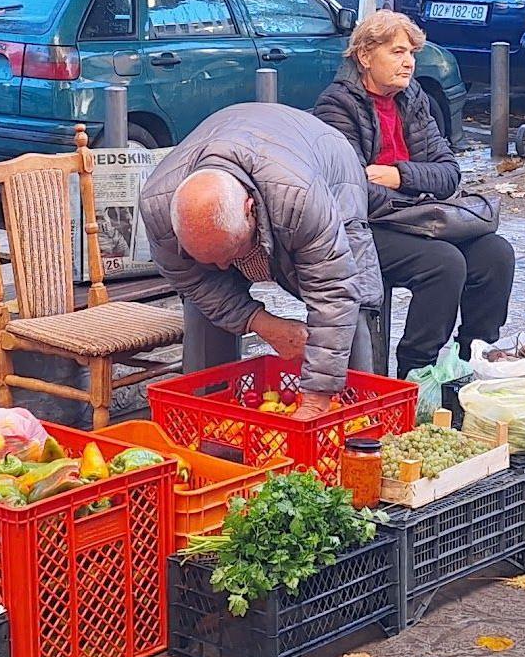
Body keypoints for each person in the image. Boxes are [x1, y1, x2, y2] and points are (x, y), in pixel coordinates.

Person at [139, 103, 382, 420]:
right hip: (249, 151)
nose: (225, 269)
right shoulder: (156, 208)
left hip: (328, 166)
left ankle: (359, 422)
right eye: (211, 260)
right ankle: (213, 423)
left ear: (249, 209)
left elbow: (333, 292)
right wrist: (262, 323)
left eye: (229, 255)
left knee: (354, 304)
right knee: (203, 309)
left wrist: (314, 401)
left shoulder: (300, 198)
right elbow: (196, 283)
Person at [313, 10, 514, 378]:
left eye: (412, 54)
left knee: (495, 253)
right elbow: (352, 189)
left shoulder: (412, 96)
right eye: (397, 52)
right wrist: (417, 189)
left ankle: (472, 359)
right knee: (443, 263)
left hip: (419, 216)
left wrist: (398, 175)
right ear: (365, 56)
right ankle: (416, 372)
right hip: (364, 226)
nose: (408, 63)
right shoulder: (337, 105)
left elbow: (449, 173)